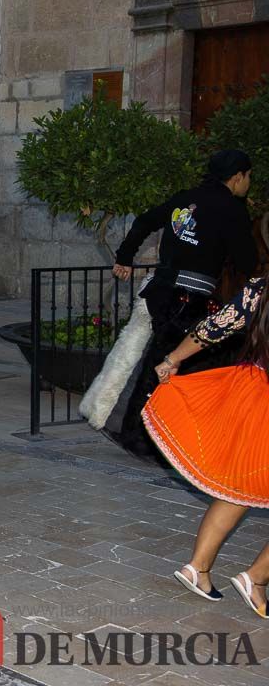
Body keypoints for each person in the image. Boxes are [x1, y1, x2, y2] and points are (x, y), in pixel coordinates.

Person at [104, 148, 255, 462]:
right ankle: (148, 439)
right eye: (249, 177)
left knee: (163, 362)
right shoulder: (232, 209)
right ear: (237, 176)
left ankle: (147, 436)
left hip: (163, 293)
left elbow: (144, 221)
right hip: (192, 299)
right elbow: (248, 261)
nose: (249, 183)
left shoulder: (187, 198)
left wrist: (124, 257)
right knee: (182, 364)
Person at [144, 277, 269, 618]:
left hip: (256, 394)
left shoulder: (261, 287)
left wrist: (172, 359)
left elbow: (215, 327)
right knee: (240, 486)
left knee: (238, 486)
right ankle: (256, 578)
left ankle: (197, 569)